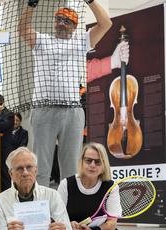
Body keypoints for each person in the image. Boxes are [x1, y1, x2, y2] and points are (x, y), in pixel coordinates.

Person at [20, 0, 112, 187]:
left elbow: (106, 24)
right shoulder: (41, 40)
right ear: (54, 22)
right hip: (44, 109)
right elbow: (22, 29)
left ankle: (68, 211)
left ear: (74, 27)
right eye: (59, 19)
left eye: (67, 21)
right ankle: (42, 213)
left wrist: (91, 1)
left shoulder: (82, 41)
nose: (62, 23)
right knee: (41, 167)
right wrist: (31, 5)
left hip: (73, 112)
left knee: (71, 169)